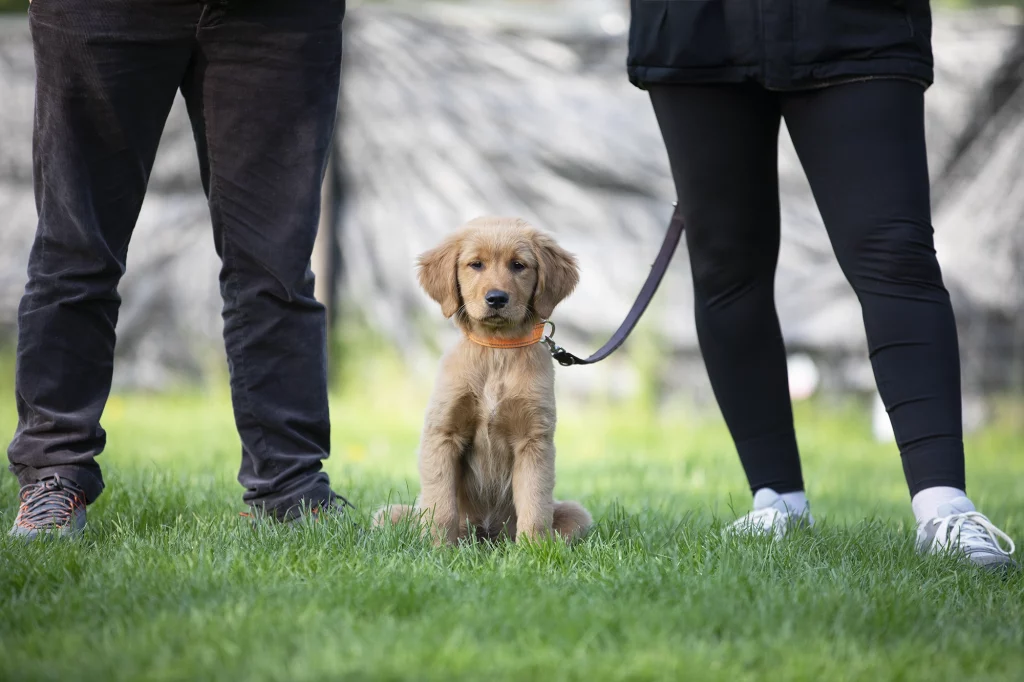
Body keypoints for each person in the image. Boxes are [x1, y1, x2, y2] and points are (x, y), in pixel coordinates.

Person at [627, 0, 1016, 569]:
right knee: (724, 265)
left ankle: (945, 509)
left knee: (894, 254)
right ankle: (776, 500)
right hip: (698, 28)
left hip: (852, 23)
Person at [8, 0, 352, 540]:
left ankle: (291, 489)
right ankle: (53, 475)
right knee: (76, 250)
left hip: (279, 16)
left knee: (276, 269)